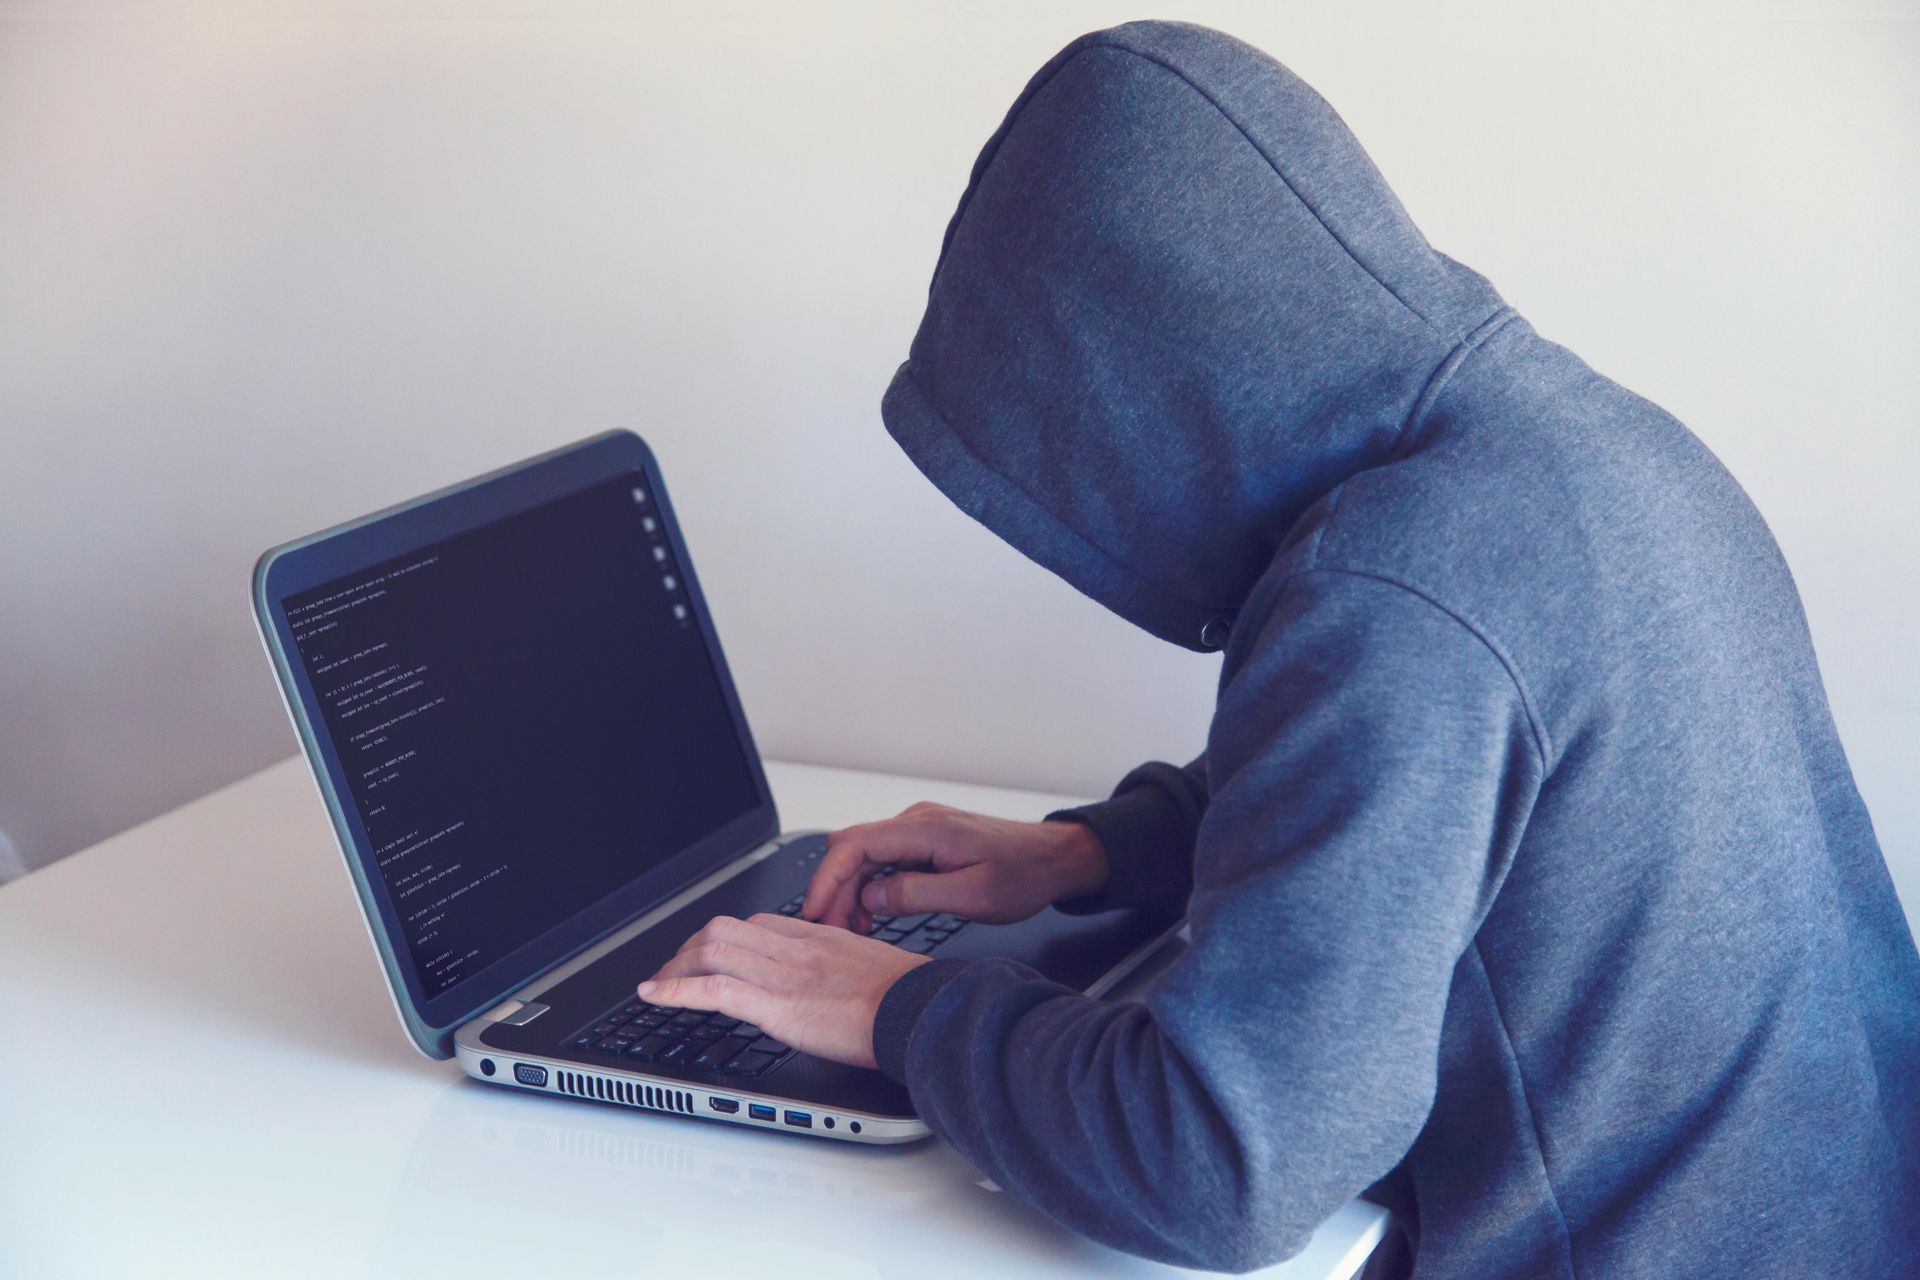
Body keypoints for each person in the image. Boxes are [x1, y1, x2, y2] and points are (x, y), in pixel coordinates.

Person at [638, 20, 1920, 1278]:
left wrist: (890, 1008)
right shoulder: (1593, 447)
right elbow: (1455, 817)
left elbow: (1223, 1165)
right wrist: (1087, 852)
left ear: (1143, 391)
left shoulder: (1395, 592)